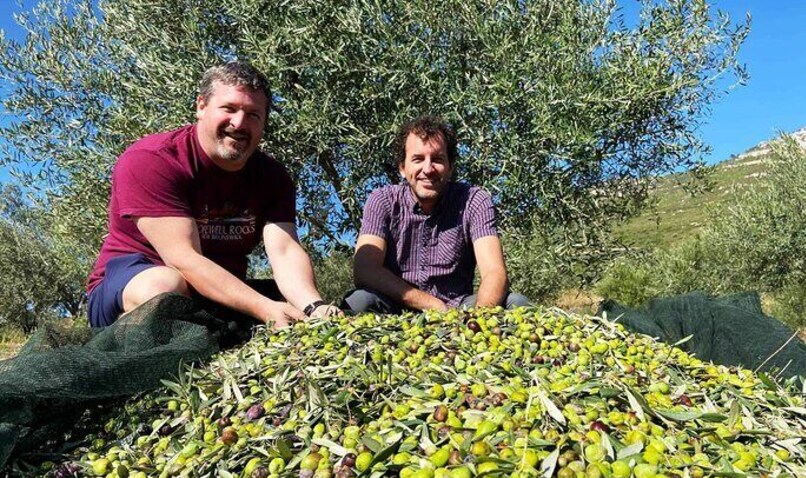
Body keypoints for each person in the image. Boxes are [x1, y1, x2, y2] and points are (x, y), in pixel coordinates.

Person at [86, 62, 339, 328]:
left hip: (218, 295)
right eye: (229, 108)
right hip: (133, 282)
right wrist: (264, 308)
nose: (239, 123)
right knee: (165, 287)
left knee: (287, 303)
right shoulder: (152, 160)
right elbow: (184, 259)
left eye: (253, 115)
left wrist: (314, 307)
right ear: (201, 106)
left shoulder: (273, 177)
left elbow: (285, 251)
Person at [342, 115, 528, 314]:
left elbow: (494, 272)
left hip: (458, 308)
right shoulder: (383, 200)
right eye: (418, 159)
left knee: (515, 302)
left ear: (450, 167)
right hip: (395, 306)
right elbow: (365, 270)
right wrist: (431, 304)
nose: (428, 169)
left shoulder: (474, 200)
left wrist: (477, 319)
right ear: (402, 168)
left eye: (438, 159)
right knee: (358, 301)